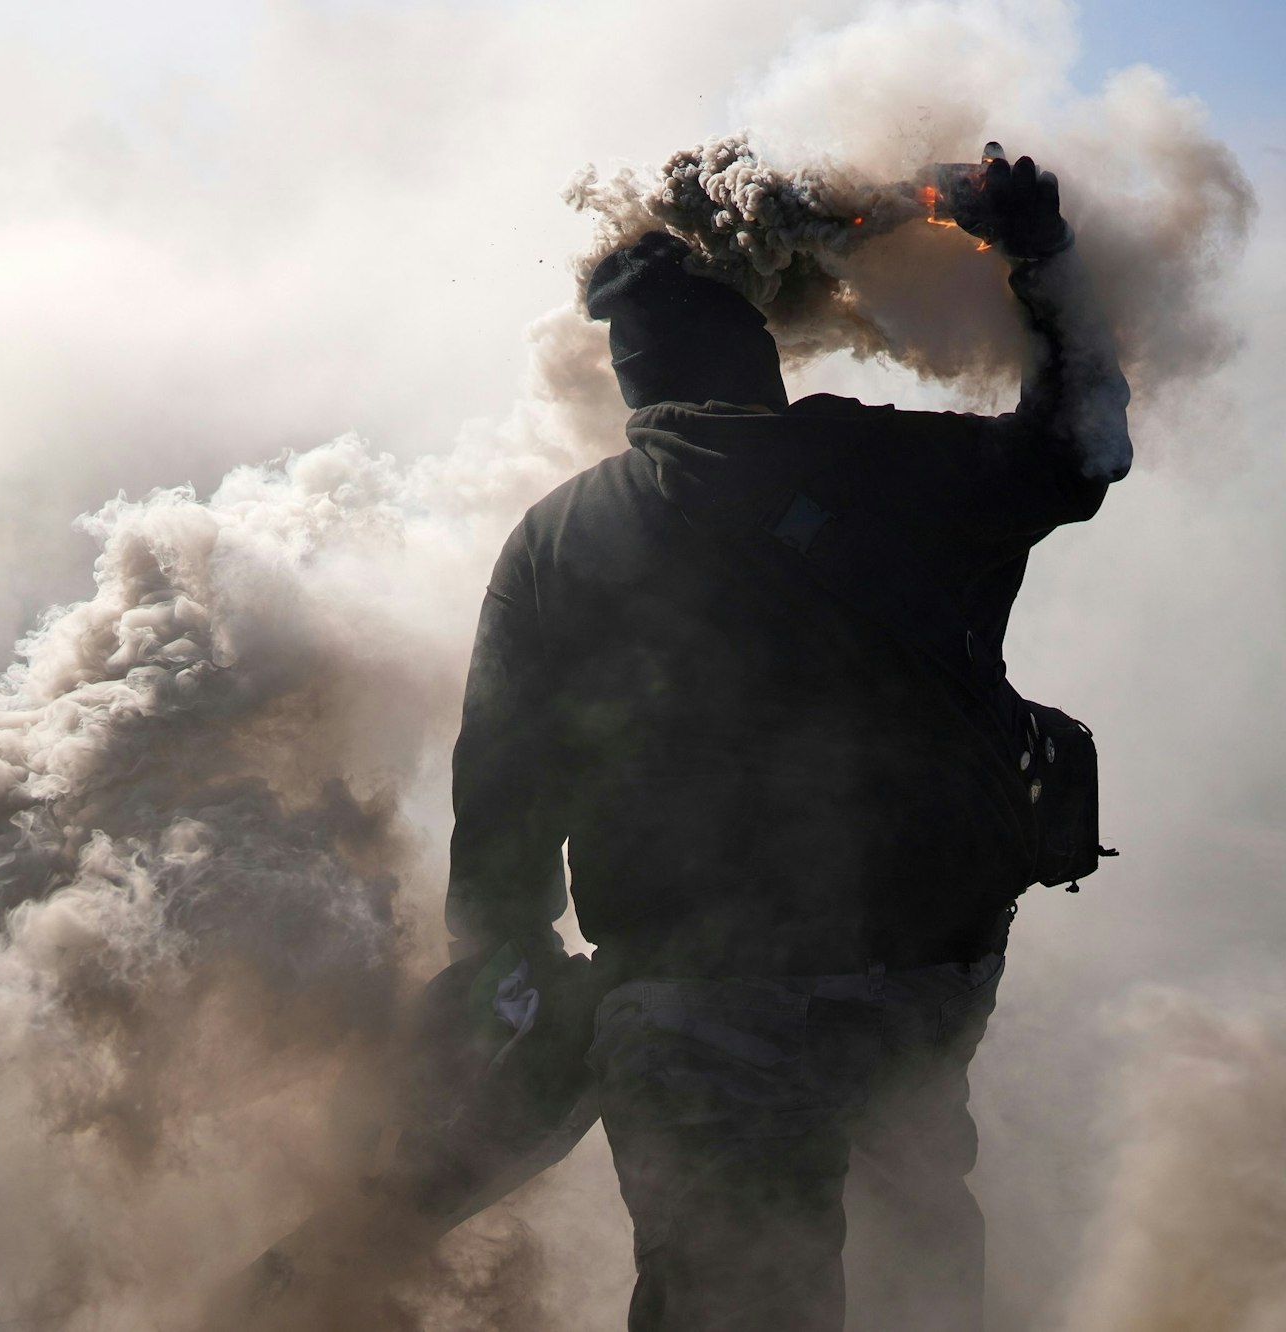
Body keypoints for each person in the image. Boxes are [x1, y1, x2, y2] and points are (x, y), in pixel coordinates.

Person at [444, 151, 1130, 1331]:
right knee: (922, 1269)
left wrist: (501, 968)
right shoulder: (891, 466)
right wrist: (1043, 264)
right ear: (758, 357)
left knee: (731, 1296)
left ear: (634, 381)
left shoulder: (559, 538)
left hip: (693, 1004)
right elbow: (1084, 452)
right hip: (923, 978)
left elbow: (504, 786)